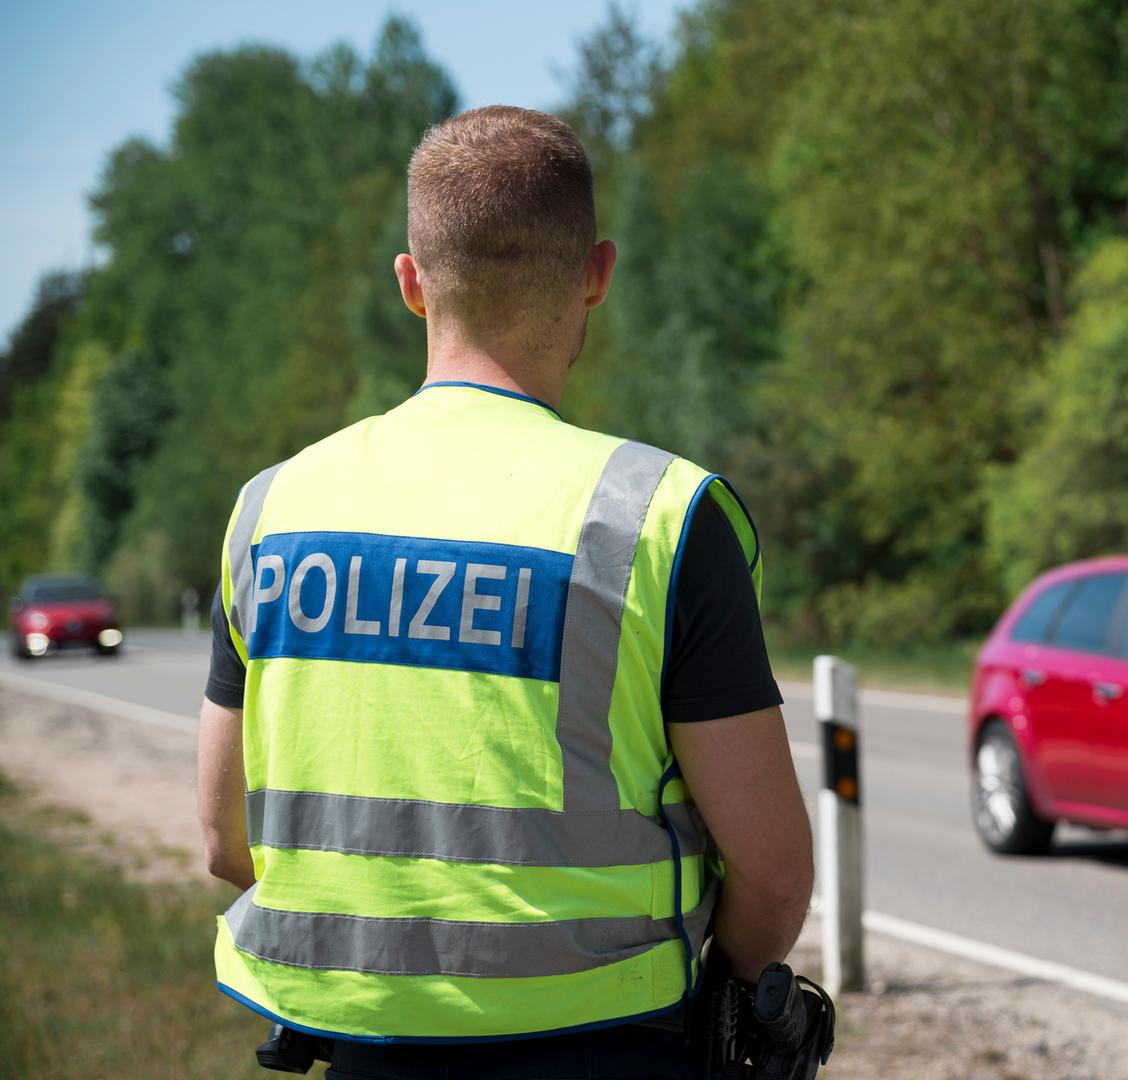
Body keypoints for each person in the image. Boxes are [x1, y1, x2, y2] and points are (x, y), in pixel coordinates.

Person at [195, 105, 814, 1078]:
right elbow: (773, 876)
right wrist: (725, 986)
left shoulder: (272, 510)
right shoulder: (656, 516)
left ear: (410, 283)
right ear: (597, 274)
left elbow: (226, 845)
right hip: (611, 1048)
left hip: (354, 1047)